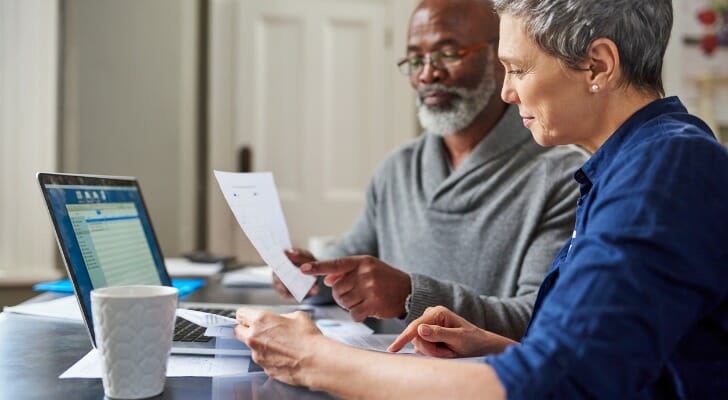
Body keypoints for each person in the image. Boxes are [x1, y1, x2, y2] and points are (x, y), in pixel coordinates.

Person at [235, 0, 728, 398]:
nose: (508, 92)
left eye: (516, 68)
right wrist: (495, 345)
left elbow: (557, 382)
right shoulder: (627, 166)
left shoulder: (663, 171)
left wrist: (316, 360)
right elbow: (604, 356)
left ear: (597, 65)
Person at [274, 0, 587, 341]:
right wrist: (311, 276)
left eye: (447, 53)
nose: (427, 74)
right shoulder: (398, 168)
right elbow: (350, 264)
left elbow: (538, 315)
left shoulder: (563, 177)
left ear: (500, 59)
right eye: (415, 59)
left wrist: (411, 296)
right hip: (379, 374)